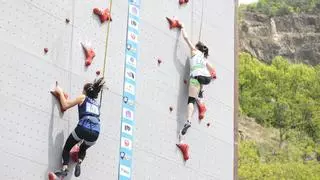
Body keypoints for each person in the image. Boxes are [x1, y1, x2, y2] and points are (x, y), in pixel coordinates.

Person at [49, 77, 105, 178]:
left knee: (67, 148)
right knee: (83, 148)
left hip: (84, 127)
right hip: (96, 132)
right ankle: (79, 161)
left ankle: (65, 168)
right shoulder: (97, 105)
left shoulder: (83, 97)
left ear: (85, 91)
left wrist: (60, 92)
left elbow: (65, 105)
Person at [177, 23, 216, 159]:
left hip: (194, 77)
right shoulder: (204, 59)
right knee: (201, 87)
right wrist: (211, 74)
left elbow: (186, 38)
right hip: (205, 77)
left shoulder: (194, 51)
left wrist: (182, 27)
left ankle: (188, 120)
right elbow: (212, 68)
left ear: (198, 48)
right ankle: (201, 93)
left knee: (190, 101)